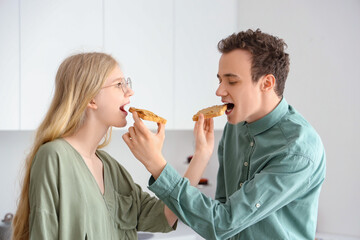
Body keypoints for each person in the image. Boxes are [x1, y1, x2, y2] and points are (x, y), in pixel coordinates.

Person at [123, 29, 326, 240]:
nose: (219, 91)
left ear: (267, 83)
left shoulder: (297, 150)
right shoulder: (234, 127)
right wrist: (201, 153)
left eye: (232, 81)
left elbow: (223, 222)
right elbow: (220, 207)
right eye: (220, 80)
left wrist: (157, 165)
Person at [12, 52, 212, 240]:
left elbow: (165, 216)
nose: (130, 91)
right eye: (119, 85)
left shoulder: (110, 167)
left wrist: (201, 154)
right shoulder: (54, 157)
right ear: (91, 98)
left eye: (127, 83)